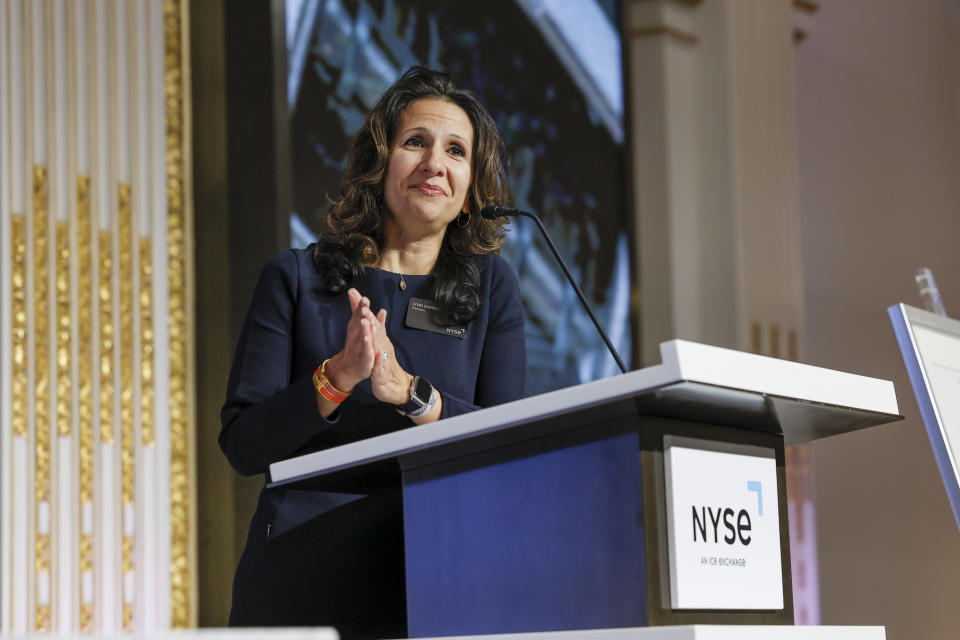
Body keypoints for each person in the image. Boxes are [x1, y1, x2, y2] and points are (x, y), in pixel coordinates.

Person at [219, 67, 528, 638]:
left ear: (469, 192)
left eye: (456, 151)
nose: (435, 162)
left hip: (440, 574)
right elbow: (243, 445)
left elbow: (511, 450)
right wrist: (334, 380)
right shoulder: (297, 279)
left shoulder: (491, 291)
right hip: (305, 572)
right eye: (416, 142)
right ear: (379, 164)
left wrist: (414, 396)